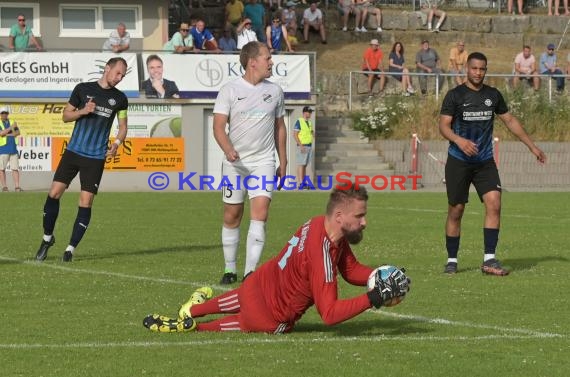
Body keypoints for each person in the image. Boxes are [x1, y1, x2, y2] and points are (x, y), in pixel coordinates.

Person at [143, 185, 411, 334]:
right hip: (268, 318)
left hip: (257, 285)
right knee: (209, 329)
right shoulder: (322, 255)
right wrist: (374, 298)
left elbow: (350, 269)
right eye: (359, 216)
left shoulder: (318, 224)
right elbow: (329, 314)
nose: (364, 222)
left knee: (233, 300)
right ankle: (195, 327)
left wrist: (382, 275)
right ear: (340, 216)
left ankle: (191, 310)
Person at [438, 52, 546, 276]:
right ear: (467, 68)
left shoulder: (493, 95)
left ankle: (489, 259)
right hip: (459, 161)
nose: (478, 73)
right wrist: (459, 140)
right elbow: (444, 126)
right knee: (456, 211)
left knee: (495, 202)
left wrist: (532, 146)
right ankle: (451, 259)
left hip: (484, 161)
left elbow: (510, 121)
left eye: (482, 69)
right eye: (475, 68)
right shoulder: (455, 95)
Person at [34, 57, 129, 262]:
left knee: (85, 202)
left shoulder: (120, 99)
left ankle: (70, 249)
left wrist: (116, 144)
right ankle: (47, 238)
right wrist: (83, 111)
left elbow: (123, 127)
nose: (120, 78)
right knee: (54, 193)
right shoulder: (82, 89)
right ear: (107, 68)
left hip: (95, 158)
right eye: (118, 73)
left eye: (123, 75)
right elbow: (65, 116)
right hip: (74, 152)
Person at [211, 41, 287, 284]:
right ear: (252, 61)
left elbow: (280, 127)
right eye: (267, 57)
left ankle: (250, 273)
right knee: (232, 215)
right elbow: (218, 126)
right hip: (235, 164)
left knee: (260, 213)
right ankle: (229, 268)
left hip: (263, 162)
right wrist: (228, 149)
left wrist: (282, 161)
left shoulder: (275, 91)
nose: (271, 62)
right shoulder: (230, 90)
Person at [0, 107, 22, 192]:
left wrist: (7, 133)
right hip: (3, 149)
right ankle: (4, 187)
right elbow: (1, 133)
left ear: (8, 114)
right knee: (1, 169)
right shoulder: (11, 124)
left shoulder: (12, 121)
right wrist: (11, 128)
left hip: (13, 148)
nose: (4, 114)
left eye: (5, 113)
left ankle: (17, 187)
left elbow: (17, 133)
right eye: (2, 113)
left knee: (15, 168)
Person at [293, 106, 314, 190]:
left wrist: (313, 134)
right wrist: (301, 145)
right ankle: (301, 183)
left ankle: (304, 182)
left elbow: (311, 132)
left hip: (308, 145)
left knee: (304, 165)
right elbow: (295, 134)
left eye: (311, 112)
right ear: (305, 112)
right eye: (309, 112)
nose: (310, 114)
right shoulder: (299, 121)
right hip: (302, 146)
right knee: (301, 164)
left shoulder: (309, 122)